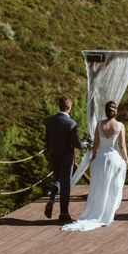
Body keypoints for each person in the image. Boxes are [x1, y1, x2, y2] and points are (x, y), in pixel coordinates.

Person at [62, 100, 128, 231]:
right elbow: (122, 145)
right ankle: (109, 213)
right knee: (112, 187)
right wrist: (126, 158)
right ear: (115, 112)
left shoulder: (99, 124)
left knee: (99, 187)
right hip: (114, 160)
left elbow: (96, 144)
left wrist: (93, 157)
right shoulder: (120, 126)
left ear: (105, 111)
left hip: (100, 159)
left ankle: (97, 212)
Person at [44, 95, 86, 223]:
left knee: (56, 179)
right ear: (69, 107)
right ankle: (63, 213)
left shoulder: (49, 120)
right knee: (66, 184)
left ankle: (51, 199)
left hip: (53, 155)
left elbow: (47, 140)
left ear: (59, 106)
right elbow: (74, 143)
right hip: (66, 157)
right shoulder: (71, 123)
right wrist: (83, 145)